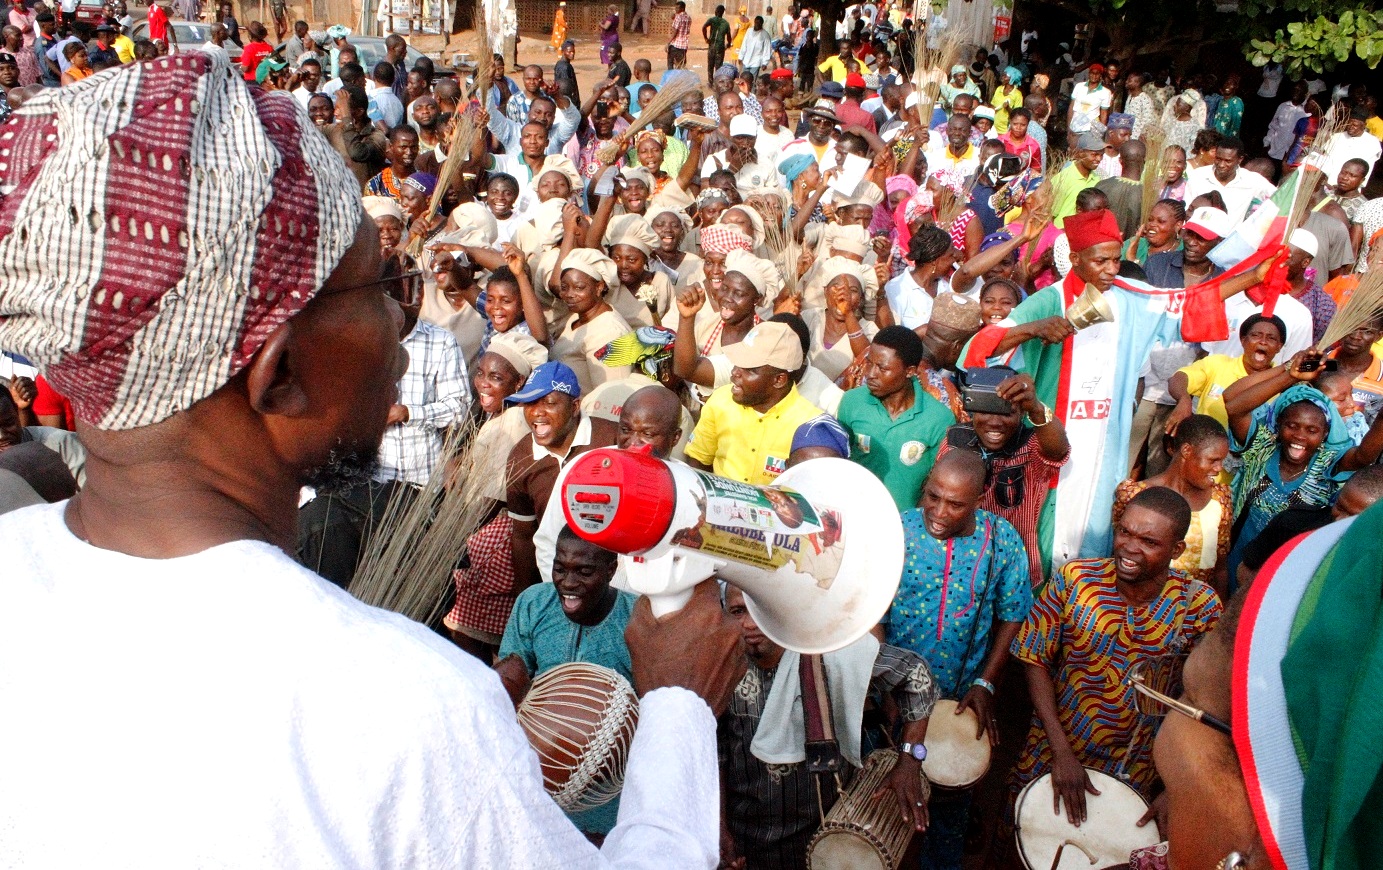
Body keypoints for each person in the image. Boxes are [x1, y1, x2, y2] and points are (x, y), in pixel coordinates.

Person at [0, 50, 746, 867]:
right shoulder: (400, 707)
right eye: (382, 286)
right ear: (279, 372)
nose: (403, 321)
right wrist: (674, 705)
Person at [961, 208, 1271, 568]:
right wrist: (1033, 328)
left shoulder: (1129, 295)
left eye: (1116, 259)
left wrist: (1253, 277)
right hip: (1052, 440)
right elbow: (979, 348)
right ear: (1075, 259)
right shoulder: (1051, 300)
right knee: (1045, 535)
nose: (1111, 269)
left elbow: (1190, 302)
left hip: (1106, 440)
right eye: (1101, 261)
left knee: (1095, 535)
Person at [1011, 486, 1223, 819]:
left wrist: (1174, 787)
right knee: (1025, 835)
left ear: (1177, 549)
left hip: (1132, 768)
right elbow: (1034, 659)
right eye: (1124, 532)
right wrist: (1061, 751)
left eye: (1149, 542)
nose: (1129, 548)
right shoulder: (1076, 579)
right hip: (1053, 748)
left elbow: (1205, 701)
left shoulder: (1199, 605)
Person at [720, 584, 938, 869]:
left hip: (826, 836)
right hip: (748, 840)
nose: (749, 623)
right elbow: (714, 755)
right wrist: (720, 827)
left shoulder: (832, 653)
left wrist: (910, 760)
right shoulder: (720, 668)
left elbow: (916, 676)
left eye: (761, 607)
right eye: (738, 611)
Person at [886, 449, 1032, 870]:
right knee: (885, 797)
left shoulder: (1001, 539)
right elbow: (872, 611)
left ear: (982, 497)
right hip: (891, 697)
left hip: (959, 697)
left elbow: (1012, 614)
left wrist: (985, 682)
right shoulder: (898, 530)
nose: (939, 512)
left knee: (949, 807)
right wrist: (882, 687)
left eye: (955, 504)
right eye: (933, 497)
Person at [494, 526, 637, 837]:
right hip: (539, 792)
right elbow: (508, 682)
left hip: (611, 798)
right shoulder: (534, 603)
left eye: (584, 571)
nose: (568, 583)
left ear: (611, 570)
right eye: (560, 568)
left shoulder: (637, 619)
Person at [1222, 349, 1383, 579]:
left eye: (1312, 430)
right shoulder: (1262, 449)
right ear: (1279, 425)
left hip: (1293, 569)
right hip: (1241, 557)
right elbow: (1234, 407)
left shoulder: (1327, 464)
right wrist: (1292, 374)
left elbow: (1363, 456)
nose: (1300, 436)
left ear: (1325, 433)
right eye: (1292, 426)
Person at [939, 370, 1070, 587]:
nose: (995, 422)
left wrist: (1036, 407)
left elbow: (1058, 451)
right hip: (960, 570)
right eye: (986, 410)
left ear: (1021, 414)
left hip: (1015, 570)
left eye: (1005, 412)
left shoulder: (1030, 445)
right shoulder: (956, 440)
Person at [504, 361, 621, 590]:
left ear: (575, 406)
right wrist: (526, 598)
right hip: (557, 580)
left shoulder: (610, 441)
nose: (536, 412)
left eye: (548, 402)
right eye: (529, 403)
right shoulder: (521, 457)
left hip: (615, 576)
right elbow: (523, 535)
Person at [684, 320, 824, 486]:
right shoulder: (720, 401)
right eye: (737, 364)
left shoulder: (809, 426)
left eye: (749, 369)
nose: (735, 373)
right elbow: (698, 461)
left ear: (779, 380)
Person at [837, 326, 956, 511]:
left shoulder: (939, 419)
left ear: (910, 371)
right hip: (854, 518)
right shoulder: (851, 402)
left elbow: (935, 485)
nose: (870, 374)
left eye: (882, 368)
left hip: (906, 528)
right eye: (869, 363)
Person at [1169, 313, 1285, 431]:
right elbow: (1179, 378)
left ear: (1279, 346)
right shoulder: (1218, 364)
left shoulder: (1284, 381)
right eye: (1256, 335)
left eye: (1271, 338)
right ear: (1243, 340)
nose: (1263, 342)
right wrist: (1184, 399)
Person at [1183, 137, 1275, 224]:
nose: (1221, 165)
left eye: (1228, 161)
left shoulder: (1252, 181)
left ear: (1240, 159)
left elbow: (1280, 196)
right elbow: (1186, 209)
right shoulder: (1198, 176)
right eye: (1218, 159)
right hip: (1198, 238)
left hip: (1230, 240)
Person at [1317, 108, 1382, 189]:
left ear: (1364, 126)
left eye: (1355, 125)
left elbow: (1367, 169)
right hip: (1328, 183)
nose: (1350, 127)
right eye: (1349, 124)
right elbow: (1325, 160)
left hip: (1350, 187)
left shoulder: (1372, 143)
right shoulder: (1336, 137)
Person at [1066, 64, 1111, 149]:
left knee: (1087, 154)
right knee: (1073, 153)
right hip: (1074, 127)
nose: (1094, 75)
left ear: (1100, 76)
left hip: (1090, 129)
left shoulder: (1105, 92)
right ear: (1088, 74)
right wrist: (1068, 127)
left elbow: (1104, 114)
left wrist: (1099, 134)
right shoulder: (1079, 86)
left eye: (1097, 73)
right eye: (1092, 73)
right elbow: (1071, 107)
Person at [703, 5, 731, 84]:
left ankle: (710, 82)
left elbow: (704, 27)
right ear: (722, 13)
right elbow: (728, 36)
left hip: (712, 46)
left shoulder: (712, 20)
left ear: (716, 12)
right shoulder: (726, 23)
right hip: (720, 48)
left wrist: (706, 38)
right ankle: (717, 82)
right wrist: (728, 43)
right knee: (718, 67)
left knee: (710, 65)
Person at [667, 2, 691, 70]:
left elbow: (675, 32)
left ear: (682, 8)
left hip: (675, 45)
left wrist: (668, 43)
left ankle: (671, 78)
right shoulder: (689, 18)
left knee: (670, 63)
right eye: (675, 8)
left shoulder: (678, 17)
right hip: (684, 45)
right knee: (680, 65)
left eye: (677, 8)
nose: (676, 9)